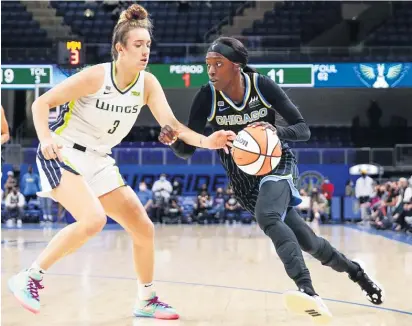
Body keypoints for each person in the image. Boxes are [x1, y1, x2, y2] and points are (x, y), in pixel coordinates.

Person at [7, 4, 235, 319]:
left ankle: (146, 298)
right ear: (120, 49)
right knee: (93, 220)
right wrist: (45, 138)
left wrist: (207, 142)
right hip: (63, 151)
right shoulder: (96, 76)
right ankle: (29, 276)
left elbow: (174, 126)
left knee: (143, 228)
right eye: (138, 45)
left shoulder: (148, 84)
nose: (145, 52)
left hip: (99, 159)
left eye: (148, 46)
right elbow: (42, 104)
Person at [159, 37, 384, 323]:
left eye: (218, 64)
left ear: (237, 66)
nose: (211, 71)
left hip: (278, 163)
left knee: (268, 217)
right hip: (244, 183)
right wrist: (174, 140)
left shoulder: (261, 85)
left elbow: (303, 130)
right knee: (309, 242)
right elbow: (186, 150)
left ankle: (309, 292)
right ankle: (358, 272)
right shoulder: (206, 96)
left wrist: (277, 133)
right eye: (208, 65)